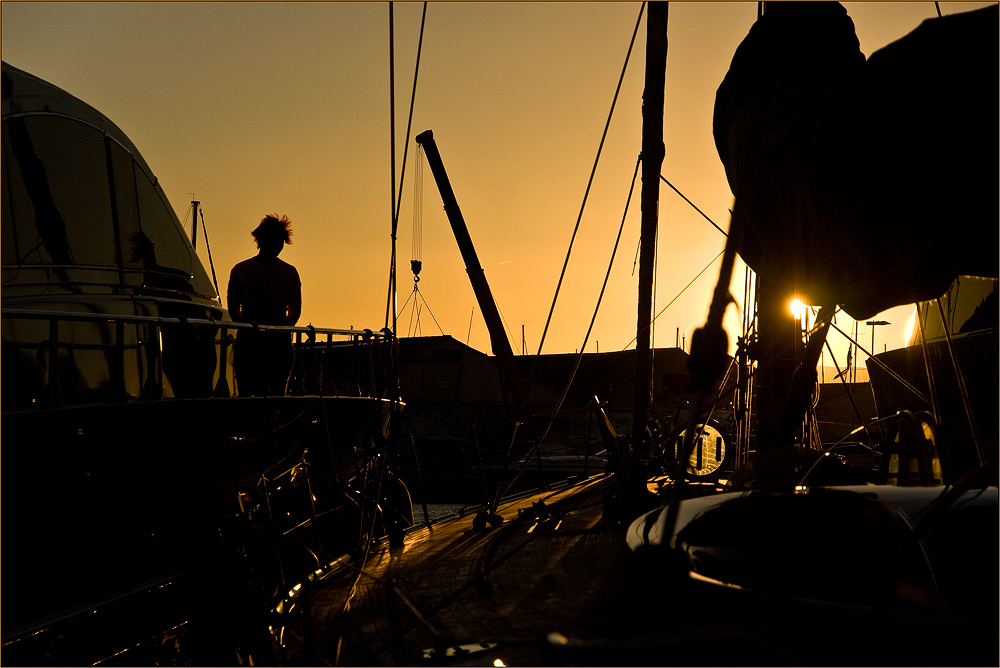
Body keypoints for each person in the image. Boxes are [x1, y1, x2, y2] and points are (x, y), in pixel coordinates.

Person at [227, 214, 302, 396]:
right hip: (260, 347)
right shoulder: (287, 272)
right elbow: (294, 313)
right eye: (277, 241)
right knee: (269, 397)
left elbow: (234, 311)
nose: (279, 246)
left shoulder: (242, 270)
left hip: (261, 346)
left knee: (254, 396)